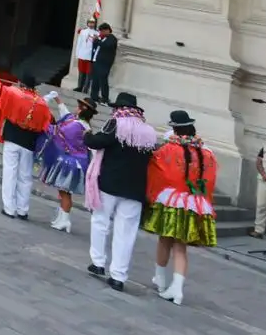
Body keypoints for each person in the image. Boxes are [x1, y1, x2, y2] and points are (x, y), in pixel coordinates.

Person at [143, 109, 219, 305]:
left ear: (175, 129)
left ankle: (160, 279)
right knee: (180, 247)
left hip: (172, 201)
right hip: (195, 203)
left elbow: (158, 171)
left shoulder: (169, 149)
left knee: (164, 239)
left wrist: (152, 195)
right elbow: (209, 180)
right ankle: (176, 288)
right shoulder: (206, 153)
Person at [84, 92, 157, 293]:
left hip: (110, 184)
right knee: (126, 233)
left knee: (100, 221)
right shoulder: (149, 131)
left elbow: (96, 142)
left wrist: (87, 134)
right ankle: (118, 276)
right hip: (135, 189)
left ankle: (98, 262)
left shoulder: (116, 123)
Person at [0, 75, 52, 220]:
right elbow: (47, 122)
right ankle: (23, 210)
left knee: (10, 173)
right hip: (29, 143)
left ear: (21, 83)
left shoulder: (15, 95)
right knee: (25, 176)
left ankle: (9, 208)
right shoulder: (42, 103)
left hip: (13, 138)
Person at [37, 95, 97, 234]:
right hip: (73, 160)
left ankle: (65, 220)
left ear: (82, 110)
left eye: (79, 107)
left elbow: (58, 131)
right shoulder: (81, 123)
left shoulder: (77, 125)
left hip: (72, 162)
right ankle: (61, 218)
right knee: (63, 191)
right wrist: (58, 100)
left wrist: (45, 119)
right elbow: (66, 115)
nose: (76, 108)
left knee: (65, 193)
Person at [88, 23, 118, 104]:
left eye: (102, 31)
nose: (100, 33)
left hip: (104, 64)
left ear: (107, 30)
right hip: (96, 62)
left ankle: (105, 98)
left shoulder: (112, 39)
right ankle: (94, 96)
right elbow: (97, 46)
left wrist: (97, 41)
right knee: (95, 80)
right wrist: (95, 41)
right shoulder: (102, 38)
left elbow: (107, 46)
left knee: (103, 81)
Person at [73, 17, 101, 93]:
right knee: (81, 72)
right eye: (90, 22)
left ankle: (85, 88)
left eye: (93, 23)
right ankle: (79, 86)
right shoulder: (83, 32)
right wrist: (77, 54)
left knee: (89, 73)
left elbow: (98, 46)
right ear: (87, 23)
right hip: (82, 54)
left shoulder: (97, 34)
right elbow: (79, 43)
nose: (91, 24)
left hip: (90, 56)